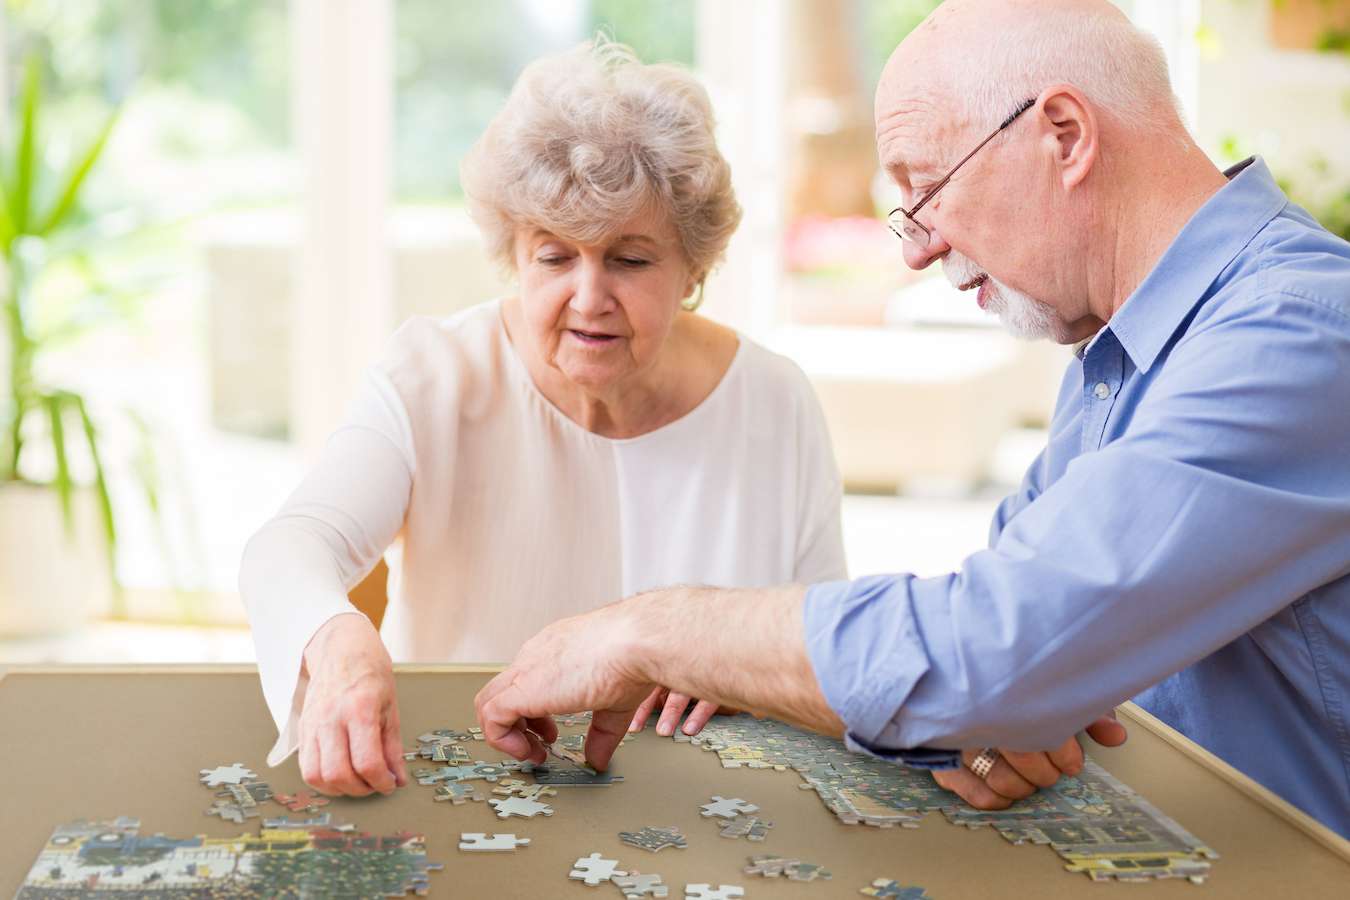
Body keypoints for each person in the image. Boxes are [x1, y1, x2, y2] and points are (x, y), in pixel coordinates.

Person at [476, 0, 1350, 837]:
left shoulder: (1300, 331)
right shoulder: (1120, 354)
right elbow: (1005, 671)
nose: (916, 245)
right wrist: (996, 713)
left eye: (926, 188)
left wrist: (650, 631)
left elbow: (989, 648)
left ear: (1065, 136)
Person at [240, 38, 846, 797]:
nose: (589, 297)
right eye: (554, 258)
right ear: (512, 254)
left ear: (694, 264)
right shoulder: (432, 376)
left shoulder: (775, 401)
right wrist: (338, 644)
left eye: (629, 260)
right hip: (475, 792)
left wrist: (747, 666)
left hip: (716, 808)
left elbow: (830, 650)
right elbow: (288, 549)